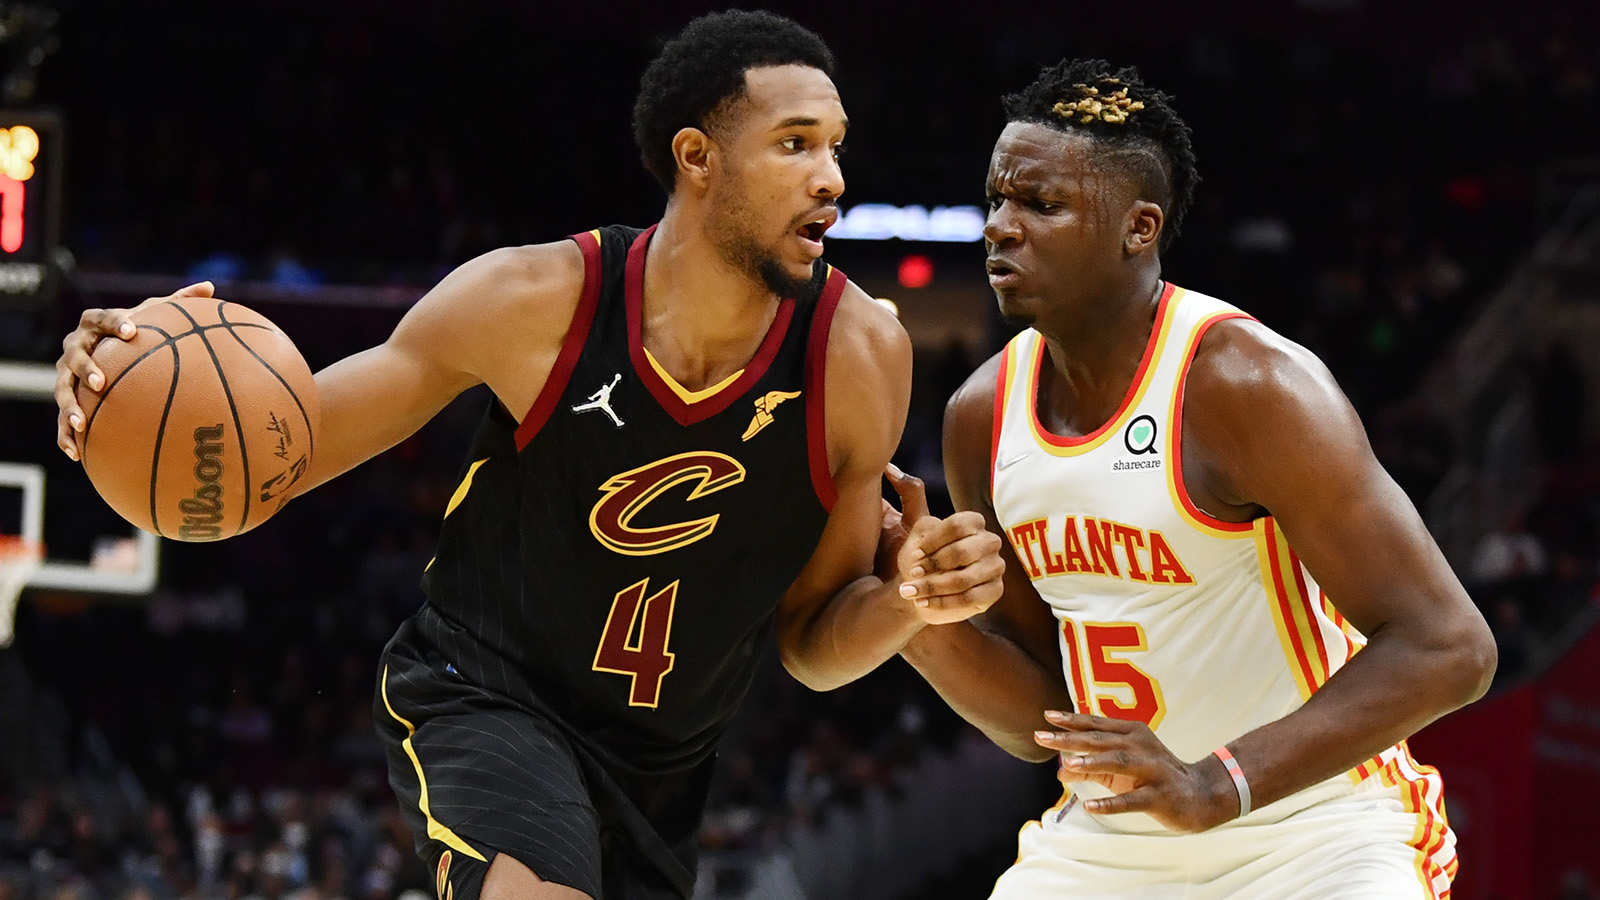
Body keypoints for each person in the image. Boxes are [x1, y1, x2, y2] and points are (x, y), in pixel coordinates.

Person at [50, 12, 1004, 900]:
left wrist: (904, 603)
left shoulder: (859, 356)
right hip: (487, 692)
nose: (832, 176)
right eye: (796, 143)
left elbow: (811, 646)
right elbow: (284, 452)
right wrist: (121, 388)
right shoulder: (530, 303)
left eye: (836, 145)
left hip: (662, 769)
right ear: (697, 158)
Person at [898, 59, 1497, 898]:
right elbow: (1043, 720)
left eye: (1041, 204)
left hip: (1313, 833)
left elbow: (1450, 647)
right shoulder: (980, 415)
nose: (1000, 226)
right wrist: (921, 623)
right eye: (997, 198)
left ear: (1138, 228)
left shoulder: (1248, 387)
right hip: (1108, 844)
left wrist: (1217, 784)